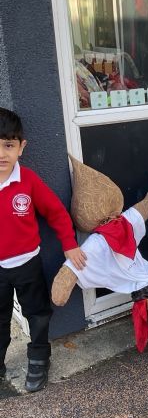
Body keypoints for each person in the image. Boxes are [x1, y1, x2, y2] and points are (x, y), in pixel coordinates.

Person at [0, 108, 86, 392]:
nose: (2, 154)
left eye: (8, 145)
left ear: (21, 147)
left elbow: (57, 213)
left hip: (27, 264)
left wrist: (69, 244)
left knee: (37, 314)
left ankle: (38, 358)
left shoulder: (28, 180)